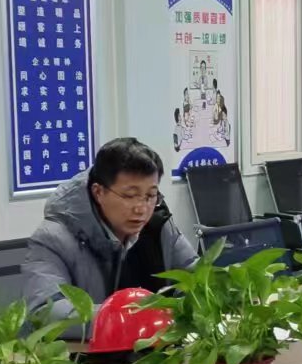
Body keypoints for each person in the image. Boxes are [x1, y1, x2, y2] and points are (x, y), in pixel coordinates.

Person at [22, 137, 197, 325]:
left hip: (159, 341)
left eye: (150, 195)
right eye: (130, 196)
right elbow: (45, 311)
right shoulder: (52, 240)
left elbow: (199, 280)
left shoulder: (158, 225)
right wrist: (132, 317)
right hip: (87, 344)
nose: (141, 208)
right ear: (99, 192)